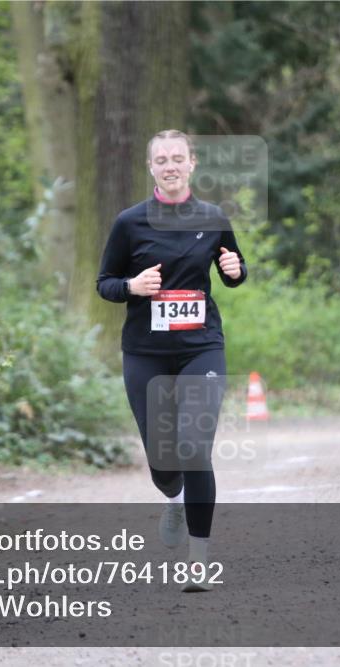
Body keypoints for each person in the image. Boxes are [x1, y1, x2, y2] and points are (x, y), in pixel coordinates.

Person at [97, 129, 247, 591]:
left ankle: (198, 560)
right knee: (164, 466)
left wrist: (236, 271)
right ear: (151, 168)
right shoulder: (130, 223)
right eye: (161, 159)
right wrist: (131, 287)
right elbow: (105, 281)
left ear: (192, 163)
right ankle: (173, 496)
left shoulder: (213, 216)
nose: (170, 165)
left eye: (177, 157)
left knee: (195, 448)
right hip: (146, 352)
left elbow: (235, 269)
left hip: (201, 346)